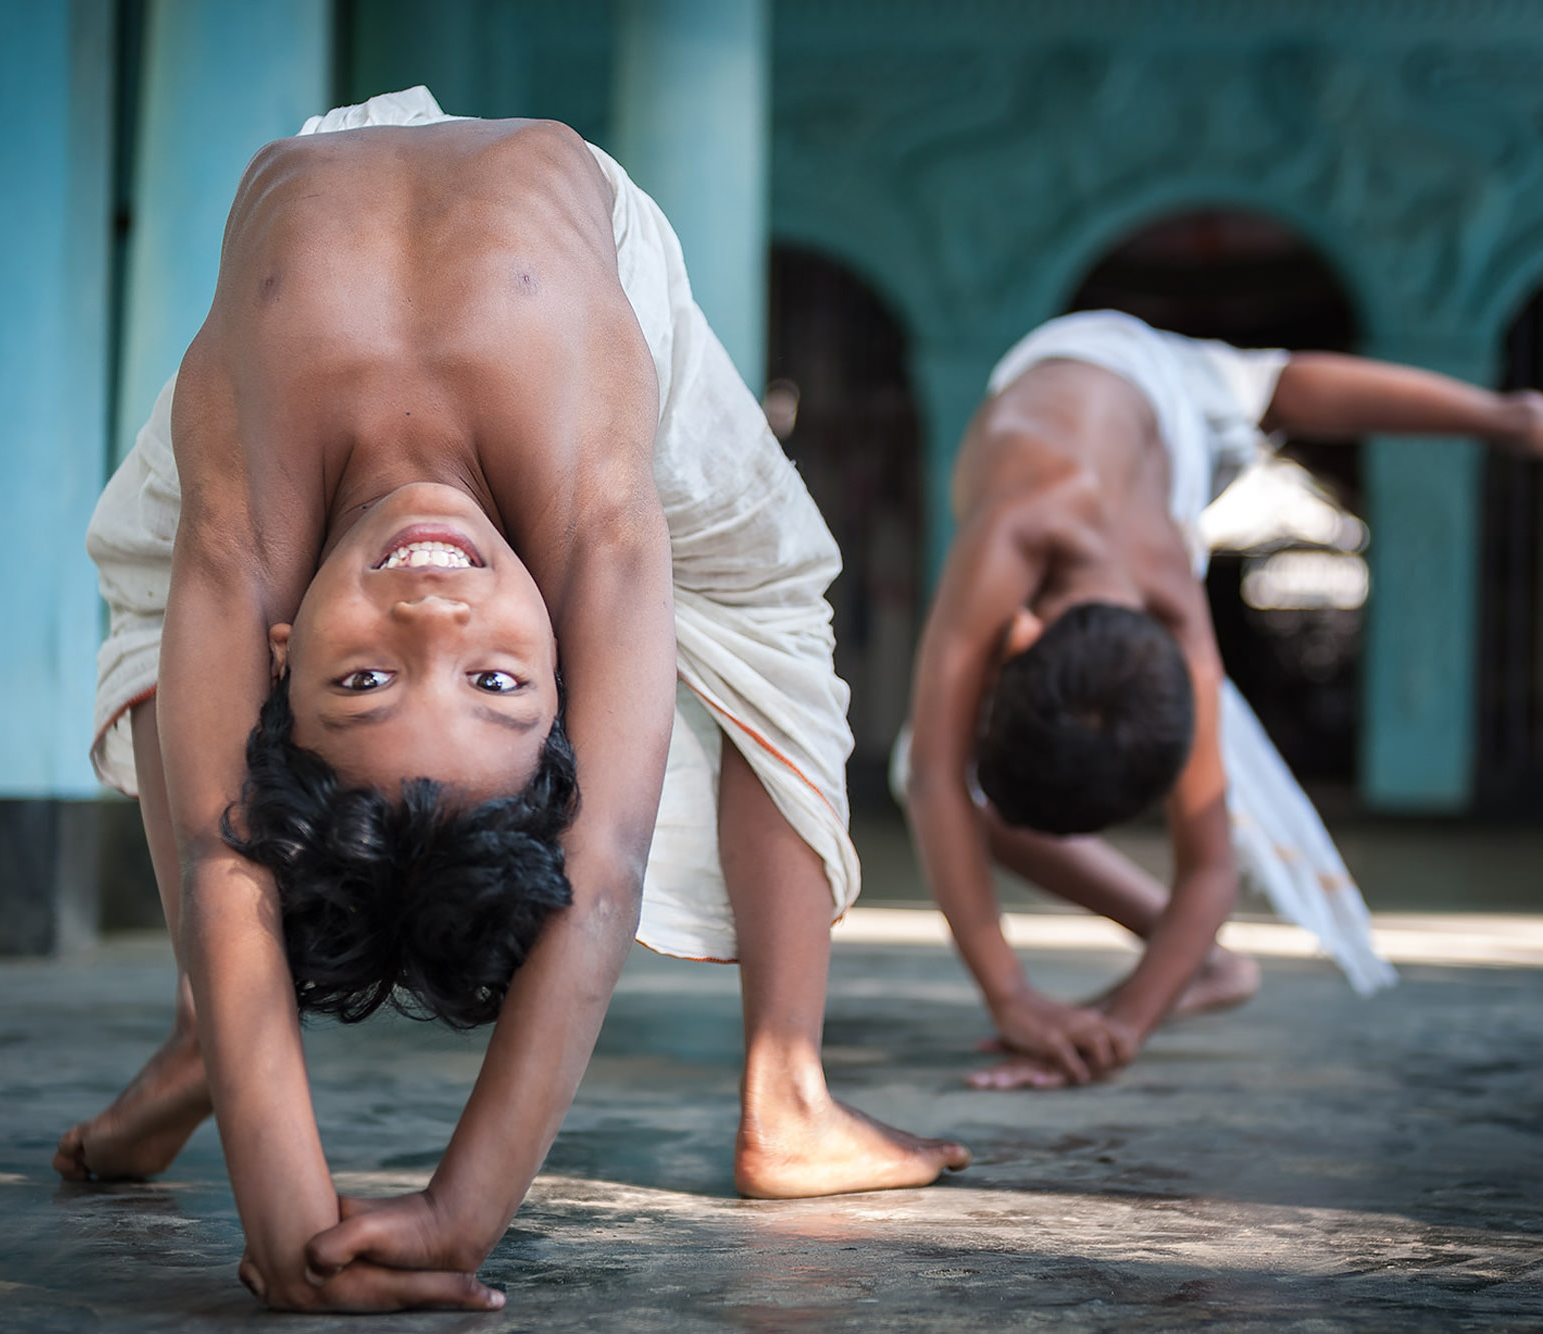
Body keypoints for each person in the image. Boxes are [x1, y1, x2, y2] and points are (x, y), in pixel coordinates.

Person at [52, 88, 966, 1314]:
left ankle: (204, 1034)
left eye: (363, 678)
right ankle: (785, 1093)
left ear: (279, 651)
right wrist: (453, 1210)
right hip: (584, 276)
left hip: (287, 284)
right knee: (768, 594)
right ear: (574, 682)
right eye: (495, 681)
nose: (434, 614)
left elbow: (227, 854)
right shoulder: (592, 499)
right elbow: (608, 854)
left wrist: (289, 1232)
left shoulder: (249, 509)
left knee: (158, 595)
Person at [901, 308, 1543, 1091]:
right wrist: (1010, 995)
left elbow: (1210, 867)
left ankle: (1520, 418)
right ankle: (1518, 418)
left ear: (1014, 641)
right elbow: (933, 778)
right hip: (1111, 400)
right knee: (1259, 387)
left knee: (1266, 388)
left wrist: (1123, 1026)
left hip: (1130, 408)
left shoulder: (1159, 588)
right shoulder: (1029, 536)